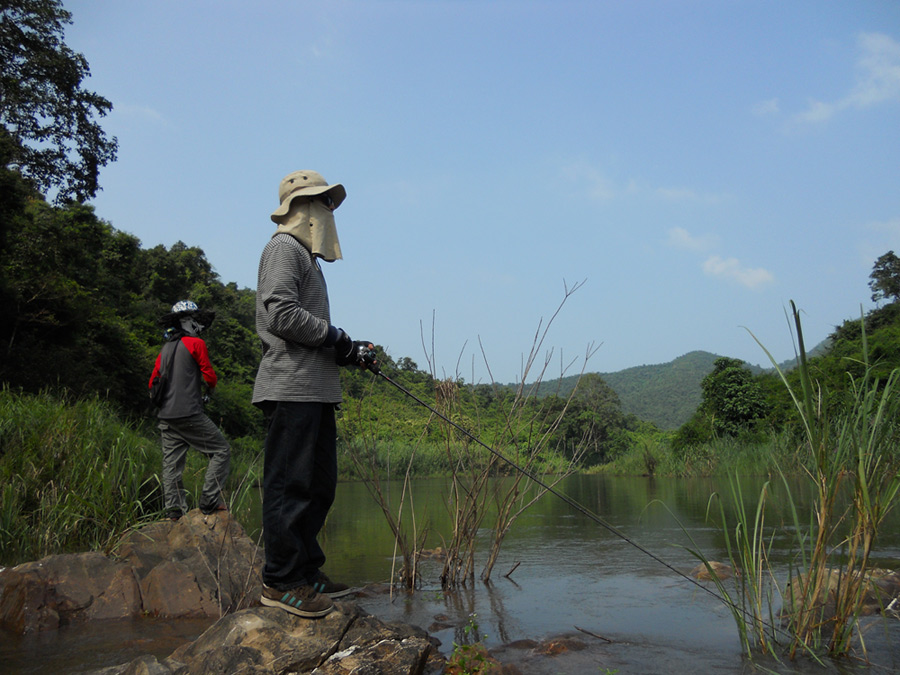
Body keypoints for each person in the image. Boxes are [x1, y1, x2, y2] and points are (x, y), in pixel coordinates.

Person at [252, 170, 376, 619]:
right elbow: (282, 315)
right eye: (323, 202)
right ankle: (280, 580)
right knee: (291, 486)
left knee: (319, 486)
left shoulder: (309, 258)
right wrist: (337, 338)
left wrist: (348, 350)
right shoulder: (283, 247)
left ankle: (305, 570)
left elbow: (313, 331)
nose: (329, 211)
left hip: (317, 390)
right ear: (301, 207)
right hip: (291, 387)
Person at [149, 300, 231, 521]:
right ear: (188, 321)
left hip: (166, 415)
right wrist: (209, 389)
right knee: (221, 451)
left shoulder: (164, 349)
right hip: (189, 412)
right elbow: (210, 376)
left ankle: (174, 512)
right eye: (195, 320)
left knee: (171, 465)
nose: (198, 324)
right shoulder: (195, 344)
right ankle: (210, 501)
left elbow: (152, 383)